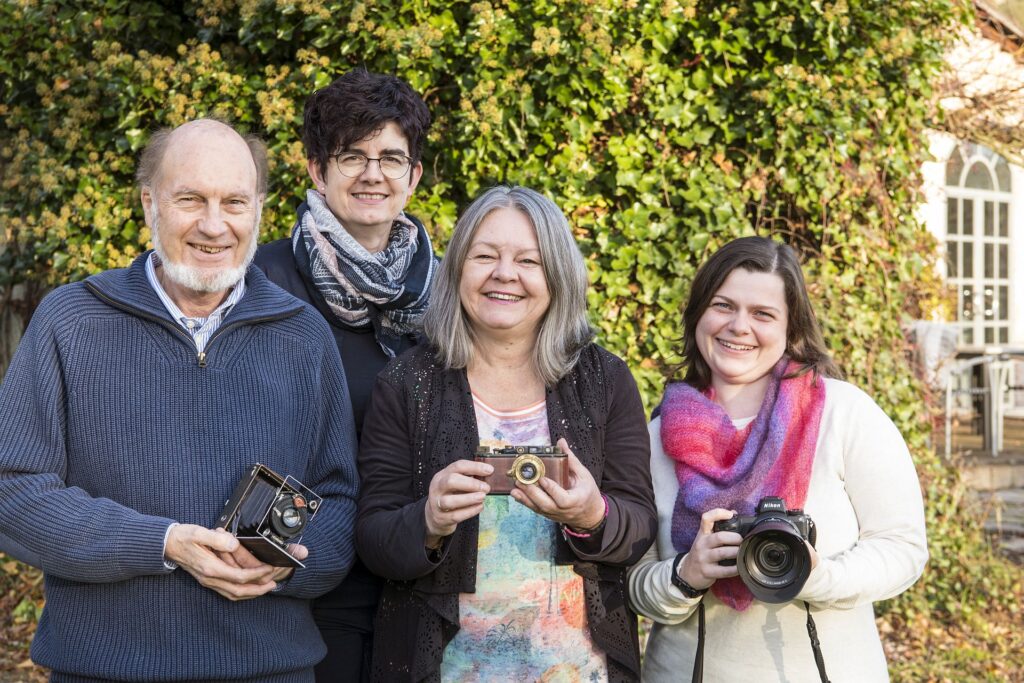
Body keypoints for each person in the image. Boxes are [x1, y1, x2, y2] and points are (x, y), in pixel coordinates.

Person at [0, 119, 359, 682]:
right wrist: (162, 543)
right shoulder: (71, 321)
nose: (214, 225)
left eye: (235, 202)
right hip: (103, 673)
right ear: (150, 205)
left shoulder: (302, 334)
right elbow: (12, 491)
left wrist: (283, 568)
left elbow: (339, 503)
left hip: (269, 672)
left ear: (259, 209)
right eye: (190, 199)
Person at [355, 185, 658, 682]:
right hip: (444, 670)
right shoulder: (407, 383)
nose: (504, 274)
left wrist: (592, 515)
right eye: (485, 256)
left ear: (557, 274)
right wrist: (428, 520)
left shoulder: (604, 380)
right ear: (456, 270)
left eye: (528, 261)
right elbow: (373, 539)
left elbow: (640, 526)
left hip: (579, 670)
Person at [627, 236, 928, 682]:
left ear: (791, 329)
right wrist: (686, 574)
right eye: (723, 305)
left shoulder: (844, 414)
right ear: (698, 316)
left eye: (763, 314)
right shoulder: (656, 438)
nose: (738, 326)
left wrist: (818, 575)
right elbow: (634, 585)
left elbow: (903, 548)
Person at [254, 68, 435, 682]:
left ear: (413, 176)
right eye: (351, 155)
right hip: (305, 581)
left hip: (418, 577)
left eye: (390, 157)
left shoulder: (444, 297)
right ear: (316, 170)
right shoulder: (263, 282)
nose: (371, 173)